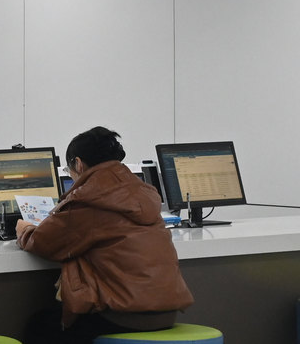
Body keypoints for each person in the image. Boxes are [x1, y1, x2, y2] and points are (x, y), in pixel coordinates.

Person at [16, 127, 193, 344]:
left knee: (39, 326)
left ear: (78, 164)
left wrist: (24, 229)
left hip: (124, 315)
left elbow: (44, 242)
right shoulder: (142, 193)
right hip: (166, 312)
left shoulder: (90, 198)